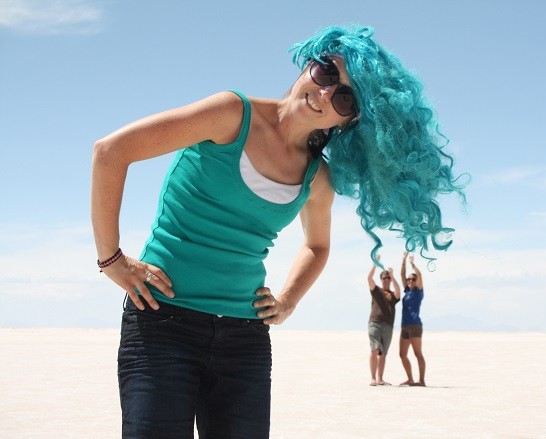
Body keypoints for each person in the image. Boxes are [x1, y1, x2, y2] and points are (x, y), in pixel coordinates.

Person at [92, 24, 465, 438]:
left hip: (245, 339)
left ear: (350, 121)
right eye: (327, 73)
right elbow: (111, 152)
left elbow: (318, 245)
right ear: (309, 64)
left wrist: (287, 301)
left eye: (344, 97)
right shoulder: (230, 114)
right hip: (162, 325)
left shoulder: (317, 178)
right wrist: (112, 258)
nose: (325, 93)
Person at [367, 257, 401, 386]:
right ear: (381, 280)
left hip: (388, 326)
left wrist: (393, 275)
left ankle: (380, 379)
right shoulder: (376, 291)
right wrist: (375, 264)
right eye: (384, 278)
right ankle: (373, 378)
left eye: (388, 278)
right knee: (374, 350)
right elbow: (369, 279)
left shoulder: (393, 295)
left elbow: (399, 292)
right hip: (374, 323)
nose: (386, 280)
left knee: (383, 353)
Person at [399, 251, 427, 386]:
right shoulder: (407, 291)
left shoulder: (418, 292)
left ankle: (421, 380)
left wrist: (412, 263)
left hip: (415, 325)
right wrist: (403, 260)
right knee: (402, 354)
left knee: (417, 353)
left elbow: (420, 275)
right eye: (409, 279)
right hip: (404, 325)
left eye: (412, 279)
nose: (410, 281)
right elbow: (401, 275)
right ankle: (410, 379)